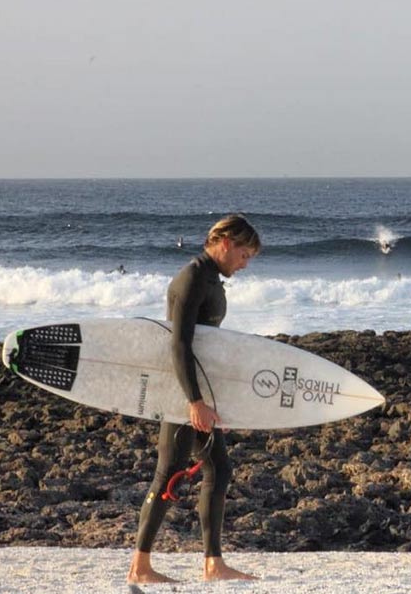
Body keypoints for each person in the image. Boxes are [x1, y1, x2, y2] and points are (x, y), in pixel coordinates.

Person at [127, 214, 261, 584]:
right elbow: (179, 344)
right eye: (245, 255)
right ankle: (140, 567)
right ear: (227, 243)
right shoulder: (192, 277)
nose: (245, 264)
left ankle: (213, 564)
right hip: (181, 392)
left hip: (196, 390)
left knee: (218, 469)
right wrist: (194, 401)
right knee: (169, 473)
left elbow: (207, 348)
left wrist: (216, 399)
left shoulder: (210, 277)